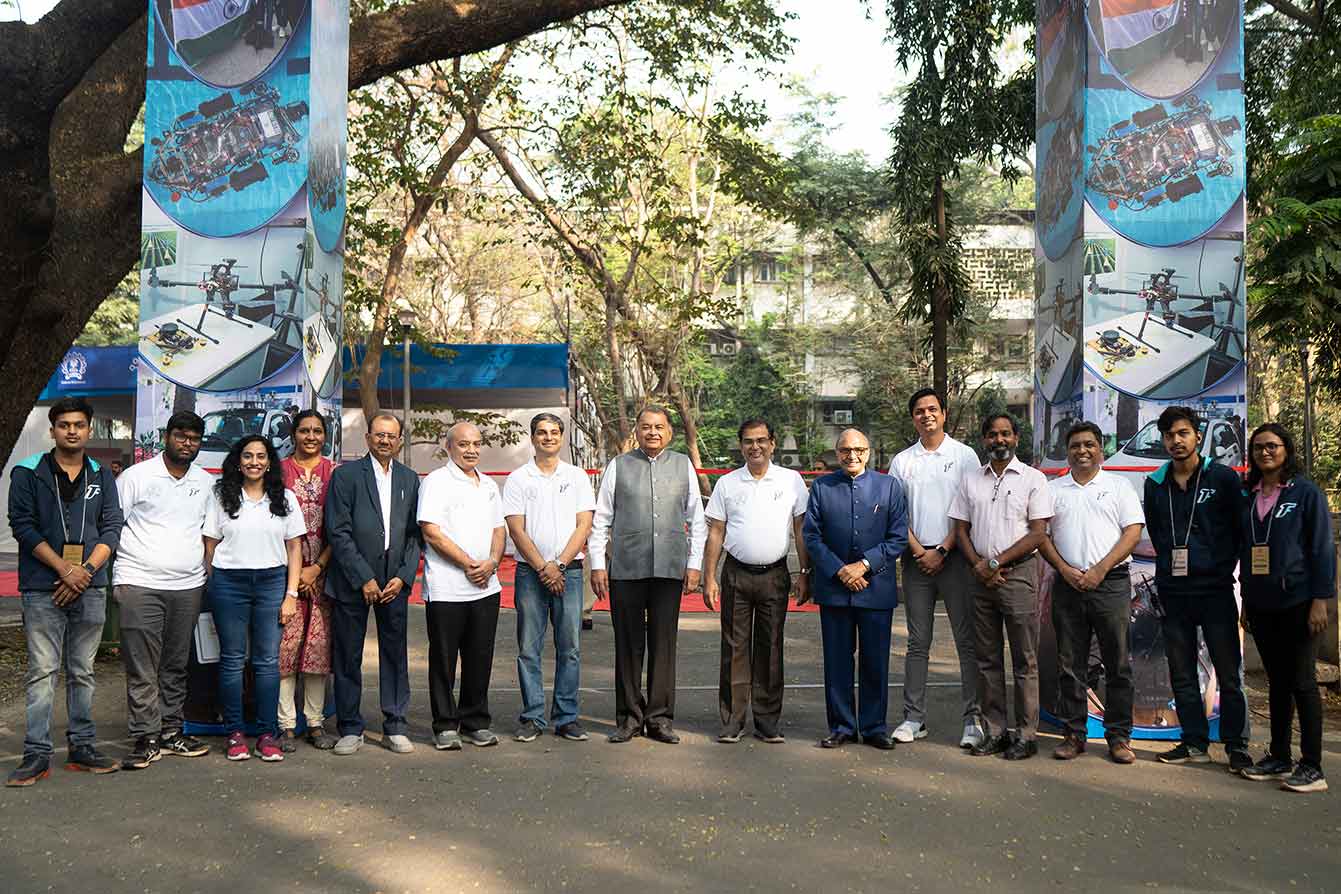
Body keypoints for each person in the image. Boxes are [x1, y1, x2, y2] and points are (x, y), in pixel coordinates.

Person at [6, 397, 123, 786]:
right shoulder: (28, 472)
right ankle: (36, 754)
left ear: (89, 428)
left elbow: (112, 528)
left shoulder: (101, 475)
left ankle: (82, 747)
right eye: (64, 425)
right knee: (42, 671)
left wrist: (85, 572)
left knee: (82, 670)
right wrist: (63, 569)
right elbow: (22, 526)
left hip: (90, 585)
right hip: (43, 587)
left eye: (79, 424)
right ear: (53, 429)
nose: (72, 431)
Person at [589, 406, 707, 744]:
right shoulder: (618, 466)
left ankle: (659, 719)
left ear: (669, 432)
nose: (652, 432)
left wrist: (694, 564)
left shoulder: (683, 465)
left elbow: (697, 519)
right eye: (645, 427)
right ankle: (629, 717)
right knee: (628, 646)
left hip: (669, 569)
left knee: (663, 645)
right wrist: (598, 564)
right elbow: (601, 519)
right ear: (637, 432)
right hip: (626, 569)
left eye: (659, 427)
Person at [1143, 406, 1250, 769]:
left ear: (1198, 437)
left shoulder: (1222, 478)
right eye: (1170, 435)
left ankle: (1237, 746)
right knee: (1183, 672)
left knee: (1228, 672)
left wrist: (1219, 567)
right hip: (1174, 593)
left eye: (1183, 433)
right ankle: (1194, 743)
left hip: (1215, 590)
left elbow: (1239, 531)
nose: (1176, 441)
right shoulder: (1155, 484)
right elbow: (1158, 533)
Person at [113, 411, 214, 770]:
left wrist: (206, 572)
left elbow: (210, 533)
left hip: (187, 585)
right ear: (166, 437)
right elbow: (111, 523)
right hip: (139, 582)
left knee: (175, 664)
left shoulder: (205, 482)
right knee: (142, 665)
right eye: (181, 436)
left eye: (194, 438)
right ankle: (146, 737)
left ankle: (171, 732)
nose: (187, 443)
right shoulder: (136, 476)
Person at [1038, 421, 1144, 764]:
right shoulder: (1053, 489)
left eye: (1089, 445)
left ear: (1101, 449)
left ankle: (1119, 737)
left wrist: (1100, 569)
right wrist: (1064, 569)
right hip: (1067, 585)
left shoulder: (1119, 486)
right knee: (1070, 665)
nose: (1082, 451)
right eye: (1075, 446)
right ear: (1067, 452)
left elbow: (1133, 532)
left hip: (1111, 583)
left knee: (1118, 664)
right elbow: (1041, 536)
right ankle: (1073, 735)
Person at [1237, 423, 1335, 793]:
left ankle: (1312, 766)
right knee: (1277, 682)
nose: (1265, 452)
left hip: (1300, 602)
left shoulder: (1306, 493)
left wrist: (1320, 600)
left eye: (1272, 446)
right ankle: (1279, 756)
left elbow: (1322, 548)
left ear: (1286, 450)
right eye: (1258, 447)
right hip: (1262, 604)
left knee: (1302, 682)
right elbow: (1247, 551)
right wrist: (1246, 601)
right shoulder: (1249, 495)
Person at [950, 412, 1053, 761]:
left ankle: (1026, 734)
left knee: (1025, 659)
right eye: (993, 434)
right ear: (984, 440)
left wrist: (995, 563)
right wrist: (980, 566)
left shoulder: (1033, 479)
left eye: (1006, 434)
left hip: (1019, 575)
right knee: (987, 659)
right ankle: (995, 731)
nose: (999, 440)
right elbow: (960, 530)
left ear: (1016, 438)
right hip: (979, 578)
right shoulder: (970, 480)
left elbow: (1038, 534)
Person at [702, 419, 811, 744]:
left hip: (775, 575)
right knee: (734, 649)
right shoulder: (727, 483)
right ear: (741, 446)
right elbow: (716, 532)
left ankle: (767, 722)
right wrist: (709, 577)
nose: (755, 447)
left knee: (771, 647)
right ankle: (732, 721)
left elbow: (800, 529)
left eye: (762, 440)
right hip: (736, 574)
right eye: (749, 441)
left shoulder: (791, 481)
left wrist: (805, 573)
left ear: (772, 444)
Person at [886, 388, 984, 748]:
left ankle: (973, 720)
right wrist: (919, 551)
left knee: (966, 641)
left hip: (955, 557)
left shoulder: (964, 456)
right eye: (919, 411)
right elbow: (897, 514)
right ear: (913, 418)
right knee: (917, 642)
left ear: (944, 414)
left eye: (932, 409)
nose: (926, 415)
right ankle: (914, 718)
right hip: (916, 561)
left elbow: (969, 510)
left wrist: (943, 548)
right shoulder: (902, 461)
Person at [802, 428, 908, 750]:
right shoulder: (822, 487)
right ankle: (842, 726)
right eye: (846, 450)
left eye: (859, 450)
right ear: (837, 453)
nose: (852, 456)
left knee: (875, 661)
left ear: (868, 452)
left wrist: (863, 566)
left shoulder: (889, 487)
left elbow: (898, 537)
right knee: (837, 662)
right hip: (835, 589)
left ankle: (874, 727)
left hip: (875, 588)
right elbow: (811, 537)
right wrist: (840, 570)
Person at [203, 435, 306, 763]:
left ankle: (266, 734)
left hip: (271, 583)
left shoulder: (285, 498)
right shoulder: (221, 495)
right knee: (232, 660)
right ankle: (234, 733)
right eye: (247, 456)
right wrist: (216, 583)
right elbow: (209, 544)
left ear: (269, 462)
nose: (254, 462)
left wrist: (291, 594)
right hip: (229, 583)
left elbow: (295, 548)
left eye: (261, 456)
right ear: (238, 461)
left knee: (266, 662)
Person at [323, 413, 421, 756]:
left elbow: (415, 534)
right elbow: (338, 531)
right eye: (379, 434)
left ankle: (395, 725)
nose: (385, 441)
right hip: (352, 581)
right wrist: (363, 576)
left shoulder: (410, 479)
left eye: (391, 436)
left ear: (399, 441)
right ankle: (350, 727)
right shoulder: (346, 476)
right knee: (347, 656)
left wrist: (403, 576)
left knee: (395, 655)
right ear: (367, 438)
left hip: (394, 583)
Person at [502, 413, 596, 743]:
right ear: (533, 438)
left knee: (570, 648)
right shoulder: (518, 478)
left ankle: (566, 717)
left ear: (562, 436)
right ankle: (532, 716)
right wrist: (545, 567)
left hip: (570, 573)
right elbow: (516, 529)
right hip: (531, 573)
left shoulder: (577, 476)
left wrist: (560, 564)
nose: (548, 437)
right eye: (541, 432)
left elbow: (584, 524)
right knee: (529, 648)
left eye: (554, 432)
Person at [418, 422, 507, 750]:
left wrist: (492, 562)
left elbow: (499, 530)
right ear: (449, 447)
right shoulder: (436, 482)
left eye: (476, 444)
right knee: (443, 659)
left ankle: (475, 721)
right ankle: (444, 725)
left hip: (486, 587)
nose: (471, 450)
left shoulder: (489, 485)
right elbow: (431, 532)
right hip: (447, 588)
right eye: (463, 444)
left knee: (480, 657)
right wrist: (469, 564)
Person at [277, 410, 337, 752]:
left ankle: (315, 721)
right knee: (285, 649)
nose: (311, 437)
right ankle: (285, 724)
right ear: (294, 435)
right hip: (284, 575)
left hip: (326, 576)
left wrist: (317, 568)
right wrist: (296, 571)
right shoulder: (278, 472)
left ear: (325, 436)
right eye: (304, 431)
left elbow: (341, 526)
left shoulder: (336, 473)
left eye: (317, 431)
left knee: (318, 649)